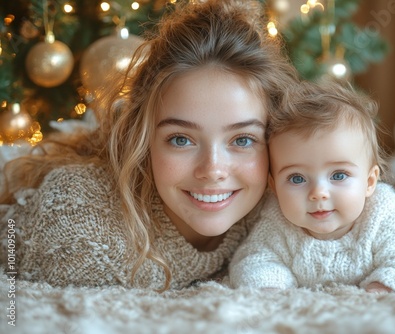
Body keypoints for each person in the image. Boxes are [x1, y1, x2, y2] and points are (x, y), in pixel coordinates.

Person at [0, 0, 298, 291]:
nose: (213, 170)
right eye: (181, 139)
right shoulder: (79, 228)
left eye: (242, 140)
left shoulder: (288, 206)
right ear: (141, 137)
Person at [229, 80, 395, 293]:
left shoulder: (382, 214)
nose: (318, 193)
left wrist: (382, 288)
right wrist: (269, 287)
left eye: (338, 175)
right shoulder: (276, 221)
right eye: (297, 178)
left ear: (369, 182)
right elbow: (254, 260)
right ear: (274, 187)